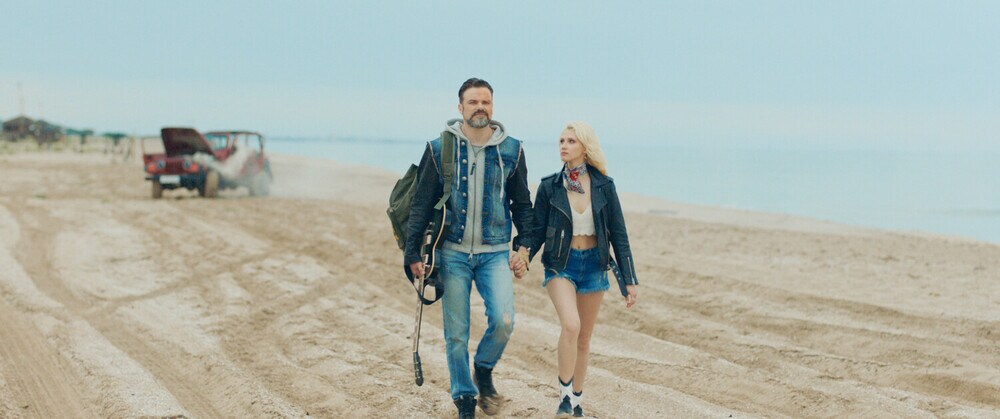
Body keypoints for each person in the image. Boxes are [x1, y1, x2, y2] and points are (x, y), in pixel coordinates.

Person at [405, 78, 534, 419]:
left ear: (492, 107)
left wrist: (524, 248)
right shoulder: (439, 148)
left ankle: (484, 368)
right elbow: (421, 204)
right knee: (457, 334)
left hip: (495, 253)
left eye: (485, 102)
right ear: (460, 107)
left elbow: (523, 205)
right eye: (473, 102)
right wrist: (412, 253)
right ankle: (464, 398)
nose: (480, 108)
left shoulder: (512, 150)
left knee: (504, 320)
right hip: (452, 253)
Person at [525, 121, 638, 418]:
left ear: (585, 147)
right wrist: (524, 256)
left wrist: (629, 280)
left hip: (594, 265)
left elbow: (619, 234)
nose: (563, 145)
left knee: (584, 338)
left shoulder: (604, 186)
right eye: (561, 140)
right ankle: (563, 397)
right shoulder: (549, 186)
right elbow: (537, 231)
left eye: (571, 141)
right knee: (571, 326)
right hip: (560, 264)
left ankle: (576, 399)